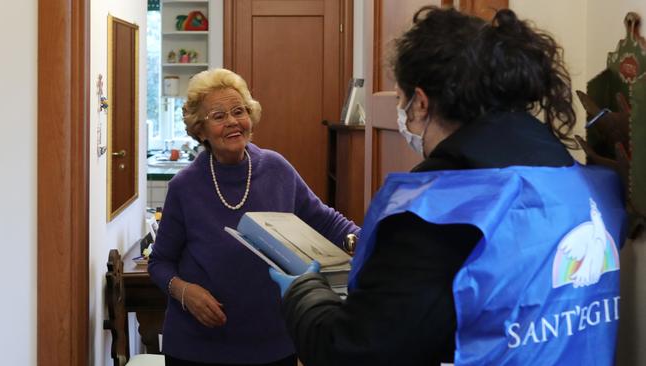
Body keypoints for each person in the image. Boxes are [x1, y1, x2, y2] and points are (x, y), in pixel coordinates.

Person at [269, 7, 627, 366]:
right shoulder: (585, 187)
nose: (399, 112)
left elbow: (354, 351)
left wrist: (304, 294)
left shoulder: (440, 213)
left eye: (398, 100)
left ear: (420, 103)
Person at [148, 68, 360, 366]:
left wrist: (374, 243)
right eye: (218, 116)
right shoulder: (185, 186)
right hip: (198, 348)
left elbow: (327, 221)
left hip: (273, 342)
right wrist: (184, 292)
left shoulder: (277, 169)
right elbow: (159, 262)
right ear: (200, 129)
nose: (233, 122)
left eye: (239, 111)